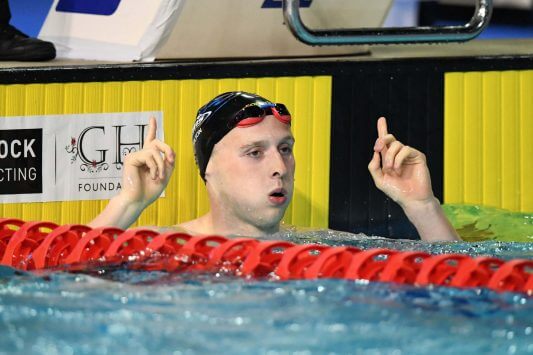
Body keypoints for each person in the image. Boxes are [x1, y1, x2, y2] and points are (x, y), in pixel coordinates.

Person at [89, 91, 460, 242]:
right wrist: (128, 203)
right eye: (254, 152)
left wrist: (421, 206)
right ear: (208, 169)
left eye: (285, 148)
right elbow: (54, 276)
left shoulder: (319, 247)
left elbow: (462, 284)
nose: (279, 166)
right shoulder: (167, 246)